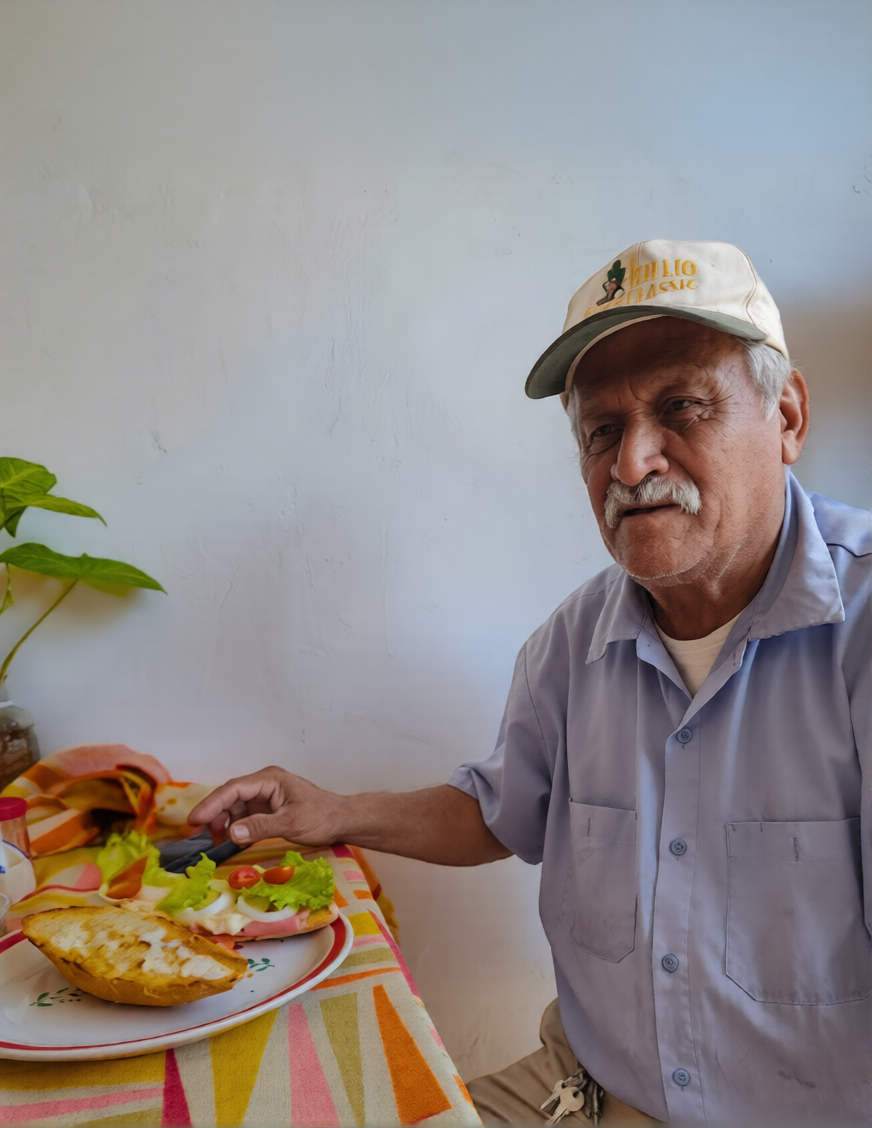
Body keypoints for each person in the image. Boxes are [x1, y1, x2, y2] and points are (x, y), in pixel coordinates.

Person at [190, 240, 871, 1125]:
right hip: (580, 1090)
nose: (632, 465)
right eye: (601, 431)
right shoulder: (572, 642)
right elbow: (503, 810)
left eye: (681, 408)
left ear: (787, 416)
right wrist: (332, 810)